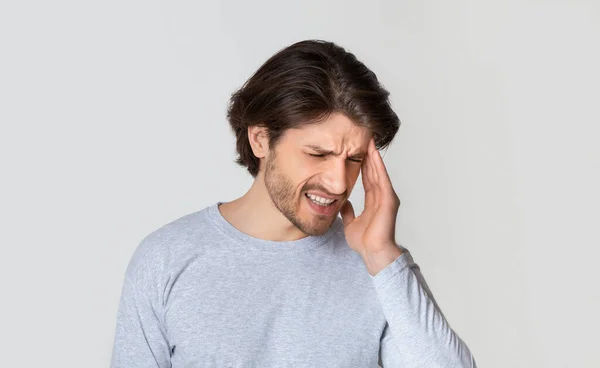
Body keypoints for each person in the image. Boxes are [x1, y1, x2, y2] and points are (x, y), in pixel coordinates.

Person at [110, 39, 477, 367]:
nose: (339, 182)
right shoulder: (167, 259)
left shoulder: (377, 270)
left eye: (354, 160)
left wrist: (383, 256)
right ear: (260, 140)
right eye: (318, 154)